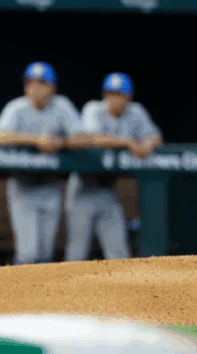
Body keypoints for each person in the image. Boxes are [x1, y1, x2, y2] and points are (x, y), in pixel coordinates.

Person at [0, 62, 91, 265]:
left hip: (51, 186)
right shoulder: (17, 107)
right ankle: (17, 286)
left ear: (52, 88)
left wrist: (61, 142)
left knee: (45, 253)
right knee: (28, 254)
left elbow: (83, 138)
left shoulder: (61, 105)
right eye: (31, 83)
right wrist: (36, 139)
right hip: (23, 186)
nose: (34, 88)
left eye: (41, 83)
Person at [66, 73, 161, 262]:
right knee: (76, 253)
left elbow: (155, 136)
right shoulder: (93, 109)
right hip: (82, 189)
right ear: (104, 95)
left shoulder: (136, 112)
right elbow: (92, 139)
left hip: (108, 190)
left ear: (129, 97)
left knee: (118, 254)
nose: (114, 99)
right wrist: (128, 142)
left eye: (119, 94)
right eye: (111, 94)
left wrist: (148, 144)